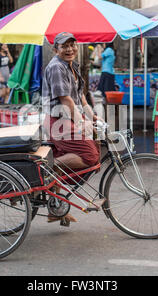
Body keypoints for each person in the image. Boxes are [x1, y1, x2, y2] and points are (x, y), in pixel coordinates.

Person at [42, 32, 101, 226]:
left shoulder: (71, 66)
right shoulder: (57, 67)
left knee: (93, 149)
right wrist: (82, 122)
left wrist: (92, 117)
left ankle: (56, 209)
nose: (69, 49)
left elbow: (81, 97)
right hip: (59, 121)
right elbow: (65, 99)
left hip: (69, 120)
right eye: (64, 46)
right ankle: (46, 168)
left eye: (72, 45)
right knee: (90, 156)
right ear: (55, 49)